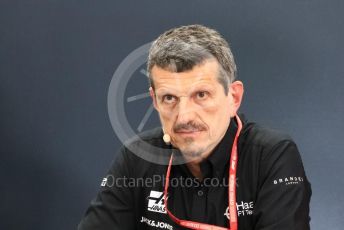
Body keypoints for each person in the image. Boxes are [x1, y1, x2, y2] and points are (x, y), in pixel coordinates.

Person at [78, 24, 311, 230]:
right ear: (155, 101)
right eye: (169, 98)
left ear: (233, 98)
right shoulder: (137, 158)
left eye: (201, 95)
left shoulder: (271, 155)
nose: (184, 116)